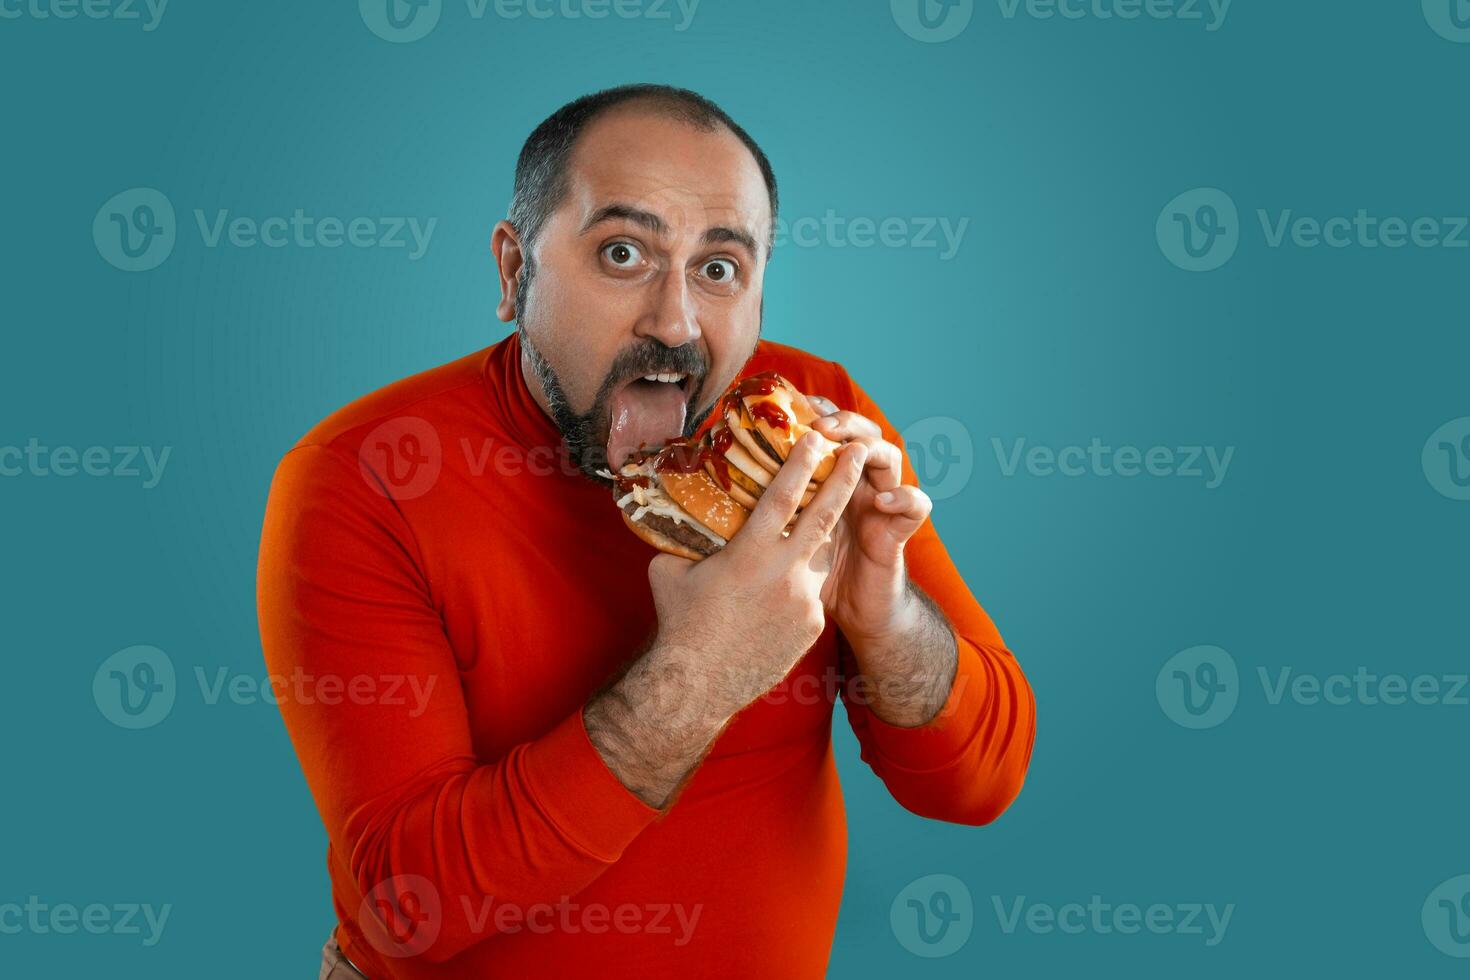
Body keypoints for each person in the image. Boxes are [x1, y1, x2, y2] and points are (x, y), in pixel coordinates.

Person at [257, 83, 1035, 980]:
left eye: (719, 269)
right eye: (623, 253)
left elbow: (981, 784)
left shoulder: (812, 422)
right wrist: (700, 677)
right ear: (514, 272)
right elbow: (408, 905)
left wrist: (884, 614)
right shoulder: (366, 475)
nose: (675, 324)